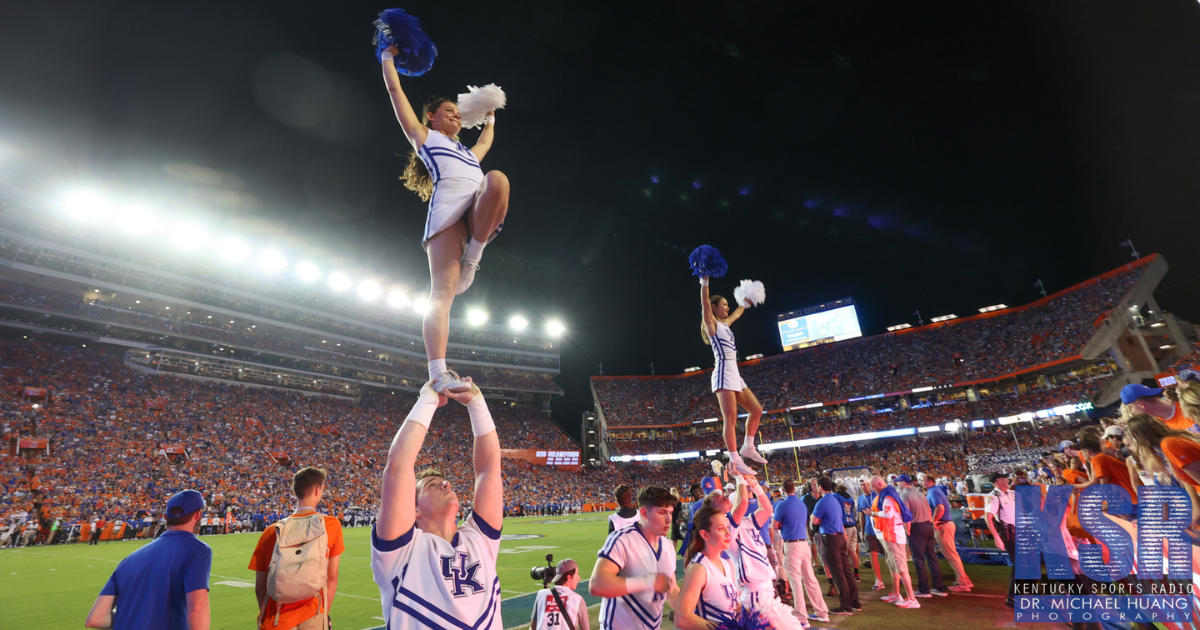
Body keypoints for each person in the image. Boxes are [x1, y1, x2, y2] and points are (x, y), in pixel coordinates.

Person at [378, 38, 509, 395]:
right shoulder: (425, 138)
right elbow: (394, 90)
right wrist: (388, 57)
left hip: (474, 220)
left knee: (497, 179)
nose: (454, 113)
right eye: (446, 110)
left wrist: (490, 114)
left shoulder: (468, 154)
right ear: (431, 118)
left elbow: (486, 142)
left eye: (457, 111)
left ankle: (474, 258)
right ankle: (437, 371)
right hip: (448, 221)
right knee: (442, 296)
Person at [369, 381, 504, 630]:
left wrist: (477, 403)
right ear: (414, 509)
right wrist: (427, 400)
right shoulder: (401, 553)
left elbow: (489, 469)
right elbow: (398, 465)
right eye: (432, 485)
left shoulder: (479, 540)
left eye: (444, 481)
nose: (445, 484)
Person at [84, 489, 212, 630]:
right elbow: (197, 607)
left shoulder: (129, 559)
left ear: (165, 516)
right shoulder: (197, 549)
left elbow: (95, 619)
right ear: (198, 514)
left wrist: (135, 618)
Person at [249, 466, 344, 630]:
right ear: (317, 490)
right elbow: (332, 577)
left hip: (275, 617)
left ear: (295, 491)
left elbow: (260, 587)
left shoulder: (271, 531)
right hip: (313, 613)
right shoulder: (330, 525)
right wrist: (322, 614)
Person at [698, 275, 765, 475]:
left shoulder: (725, 324)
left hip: (734, 373)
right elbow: (704, 301)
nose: (727, 308)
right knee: (731, 418)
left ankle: (748, 446)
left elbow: (737, 313)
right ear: (714, 307)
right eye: (724, 305)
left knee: (756, 409)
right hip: (723, 372)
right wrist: (705, 282)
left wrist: (745, 301)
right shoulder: (711, 325)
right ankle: (735, 459)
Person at [590, 485, 680, 630]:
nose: (669, 519)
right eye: (662, 512)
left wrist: (695, 611)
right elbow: (596, 584)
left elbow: (671, 589)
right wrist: (646, 582)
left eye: (670, 512)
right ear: (644, 513)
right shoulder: (622, 539)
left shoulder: (668, 546)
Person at [720, 475, 804, 630]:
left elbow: (767, 509)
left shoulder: (746, 522)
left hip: (765, 590)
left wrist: (756, 486)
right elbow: (743, 503)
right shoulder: (727, 525)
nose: (724, 498)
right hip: (755, 594)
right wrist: (739, 477)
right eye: (719, 499)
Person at [774, 479, 829, 625]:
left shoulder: (782, 504)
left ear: (783, 490)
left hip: (792, 545)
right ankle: (822, 612)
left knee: (796, 582)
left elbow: (775, 525)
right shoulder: (801, 503)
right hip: (804, 543)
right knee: (810, 579)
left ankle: (801, 618)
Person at [676, 505, 739, 630]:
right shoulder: (698, 568)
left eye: (727, 527)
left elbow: (733, 605)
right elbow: (682, 618)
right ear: (705, 535)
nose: (728, 534)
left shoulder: (726, 564)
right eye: (721, 529)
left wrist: (756, 617)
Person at [809, 478, 859, 615]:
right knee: (846, 571)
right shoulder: (836, 499)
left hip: (831, 538)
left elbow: (814, 520)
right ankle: (855, 602)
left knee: (838, 573)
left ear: (820, 487)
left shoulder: (823, 501)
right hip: (841, 537)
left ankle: (846, 606)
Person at [868, 475, 917, 609]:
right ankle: (896, 593)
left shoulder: (888, 496)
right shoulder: (887, 494)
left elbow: (888, 514)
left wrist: (872, 513)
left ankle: (912, 599)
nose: (872, 488)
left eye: (872, 486)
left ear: (878, 484)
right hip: (889, 535)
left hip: (893, 536)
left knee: (901, 568)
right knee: (894, 566)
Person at [896, 474, 946, 598]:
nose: (897, 484)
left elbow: (906, 515)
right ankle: (939, 587)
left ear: (903, 482)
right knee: (932, 558)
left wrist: (907, 530)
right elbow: (929, 511)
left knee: (918, 559)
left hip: (916, 527)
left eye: (898, 482)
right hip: (927, 525)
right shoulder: (920, 494)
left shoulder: (904, 495)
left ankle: (924, 590)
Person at [922, 475, 971, 591]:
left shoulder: (933, 491)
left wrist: (934, 522)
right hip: (946, 524)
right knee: (952, 554)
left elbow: (940, 508)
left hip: (943, 525)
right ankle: (965, 579)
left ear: (929, 481)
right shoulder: (935, 490)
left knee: (951, 555)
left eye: (923, 481)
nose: (921, 483)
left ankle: (962, 582)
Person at [983, 472, 1016, 609]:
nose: (1008, 480)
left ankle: (1015, 596)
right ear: (998, 480)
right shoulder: (993, 496)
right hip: (1008, 532)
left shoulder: (1011, 493)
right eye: (1005, 478)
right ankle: (1013, 597)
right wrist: (997, 538)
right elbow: (988, 517)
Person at [530, 558, 589, 630]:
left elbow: (533, 627)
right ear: (569, 577)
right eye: (577, 574)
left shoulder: (541, 595)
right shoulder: (578, 599)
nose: (579, 578)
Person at [1120, 381, 1200, 433]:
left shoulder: (1189, 405)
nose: (1132, 412)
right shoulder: (1158, 428)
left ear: (1140, 404)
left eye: (1130, 407)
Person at [856, 480, 885, 591]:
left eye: (865, 484)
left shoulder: (877, 496)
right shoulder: (860, 499)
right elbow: (861, 517)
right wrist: (862, 532)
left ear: (869, 485)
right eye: (861, 484)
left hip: (881, 529)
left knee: (888, 555)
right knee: (873, 555)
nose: (863, 487)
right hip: (869, 530)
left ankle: (897, 575)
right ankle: (878, 580)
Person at [834, 484, 859, 583]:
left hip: (845, 527)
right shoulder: (850, 498)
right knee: (852, 550)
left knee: (842, 552)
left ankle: (845, 574)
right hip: (852, 525)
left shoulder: (836, 496)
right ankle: (856, 574)